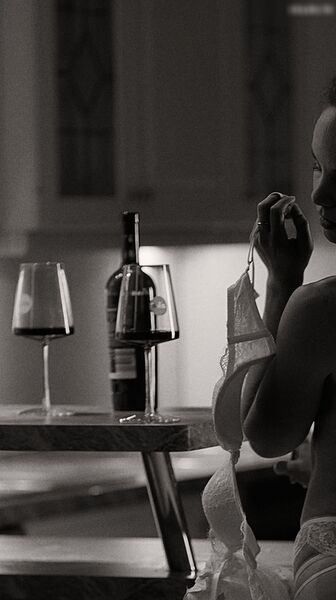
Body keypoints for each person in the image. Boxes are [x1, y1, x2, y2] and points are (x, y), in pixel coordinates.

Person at [241, 76, 336, 599]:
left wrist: (281, 281)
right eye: (319, 166)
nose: (320, 193)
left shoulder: (321, 307)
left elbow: (265, 434)